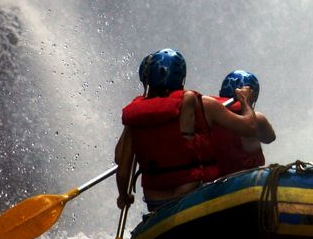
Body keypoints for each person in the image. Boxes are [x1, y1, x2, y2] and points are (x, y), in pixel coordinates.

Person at [114, 48, 261, 210]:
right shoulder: (201, 104)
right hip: (191, 195)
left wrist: (124, 196)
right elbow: (250, 127)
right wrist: (245, 101)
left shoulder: (136, 116)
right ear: (181, 78)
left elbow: (121, 168)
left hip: (155, 202)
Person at [210, 69, 276, 176]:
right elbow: (270, 138)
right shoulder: (257, 119)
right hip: (244, 178)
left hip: (215, 179)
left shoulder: (208, 111)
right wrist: (247, 103)